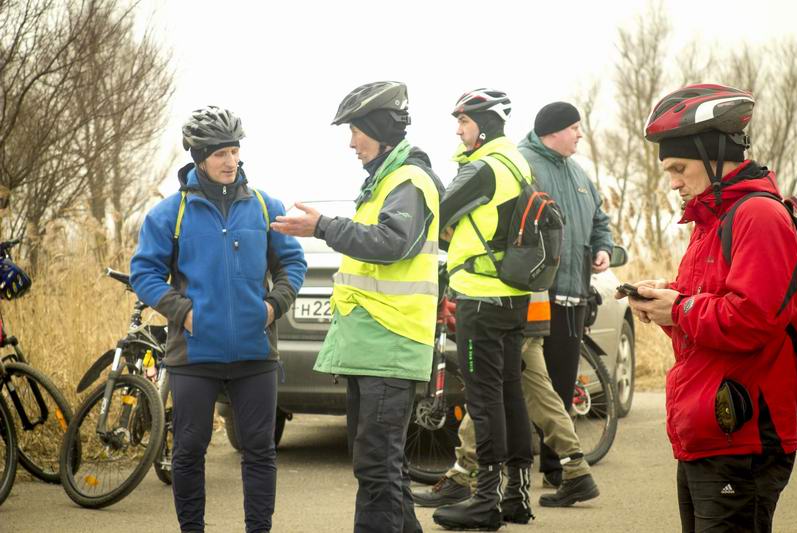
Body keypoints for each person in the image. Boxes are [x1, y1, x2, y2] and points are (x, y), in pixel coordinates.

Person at [624, 83, 797, 532]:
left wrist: (678, 308)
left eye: (679, 168)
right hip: (710, 434)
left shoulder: (758, 216)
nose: (674, 182)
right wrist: (664, 302)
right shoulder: (713, 220)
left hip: (743, 439)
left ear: (715, 154)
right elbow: (707, 314)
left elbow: (752, 320)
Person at [271, 81, 443, 533]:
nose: (351, 142)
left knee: (377, 471)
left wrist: (323, 226)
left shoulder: (408, 180)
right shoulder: (386, 180)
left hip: (390, 345)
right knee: (382, 469)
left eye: (356, 131)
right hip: (373, 345)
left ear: (379, 127)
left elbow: (392, 243)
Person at [130, 106, 307, 533]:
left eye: (234, 151)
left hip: (255, 351)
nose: (230, 161)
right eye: (220, 154)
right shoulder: (169, 214)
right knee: (189, 450)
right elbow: (145, 273)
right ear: (198, 157)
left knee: (260, 450)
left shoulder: (266, 207)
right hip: (194, 352)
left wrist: (272, 306)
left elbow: (291, 264)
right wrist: (182, 312)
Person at [430, 88, 534, 531]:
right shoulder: (516, 161)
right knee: (511, 394)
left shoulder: (483, 167)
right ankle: (516, 496)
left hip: (479, 298)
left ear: (486, 124)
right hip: (512, 297)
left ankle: (484, 500)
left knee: (484, 398)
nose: (458, 130)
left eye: (465, 122)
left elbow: (437, 213)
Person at [412, 296, 600, 511]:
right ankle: (577, 469)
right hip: (528, 314)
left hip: (505, 316)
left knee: (485, 393)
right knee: (540, 396)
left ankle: (462, 475)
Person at [517, 101, 613, 490]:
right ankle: (516, 467)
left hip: (575, 296)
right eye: (574, 127)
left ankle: (556, 468)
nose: (579, 134)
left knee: (560, 383)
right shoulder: (522, 165)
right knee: (533, 385)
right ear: (553, 131)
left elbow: (599, 220)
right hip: (536, 295)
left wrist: (603, 246)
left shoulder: (579, 174)